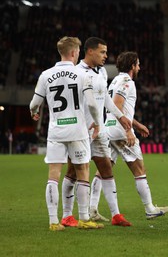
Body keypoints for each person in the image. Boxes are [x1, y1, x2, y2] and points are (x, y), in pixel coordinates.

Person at [29, 36, 104, 231]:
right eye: (78, 51)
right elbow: (91, 104)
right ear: (73, 53)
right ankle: (84, 218)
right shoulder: (82, 75)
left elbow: (34, 104)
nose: (78, 54)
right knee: (82, 171)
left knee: (53, 175)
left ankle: (54, 221)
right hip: (78, 130)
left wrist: (34, 112)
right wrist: (96, 123)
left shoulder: (45, 75)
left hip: (56, 131)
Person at [60, 37, 132, 227]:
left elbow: (105, 99)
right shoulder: (75, 73)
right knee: (72, 172)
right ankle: (67, 215)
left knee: (106, 168)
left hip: (99, 131)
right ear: (89, 51)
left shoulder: (101, 72)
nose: (106, 56)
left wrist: (120, 116)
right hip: (81, 131)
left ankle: (116, 215)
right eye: (102, 52)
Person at [105, 51, 168, 220]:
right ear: (132, 65)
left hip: (109, 128)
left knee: (104, 170)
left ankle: (91, 209)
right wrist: (128, 130)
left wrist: (137, 124)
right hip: (121, 130)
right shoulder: (128, 82)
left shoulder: (114, 82)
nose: (140, 67)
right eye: (138, 64)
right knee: (139, 170)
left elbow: (115, 107)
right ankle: (149, 208)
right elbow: (118, 105)